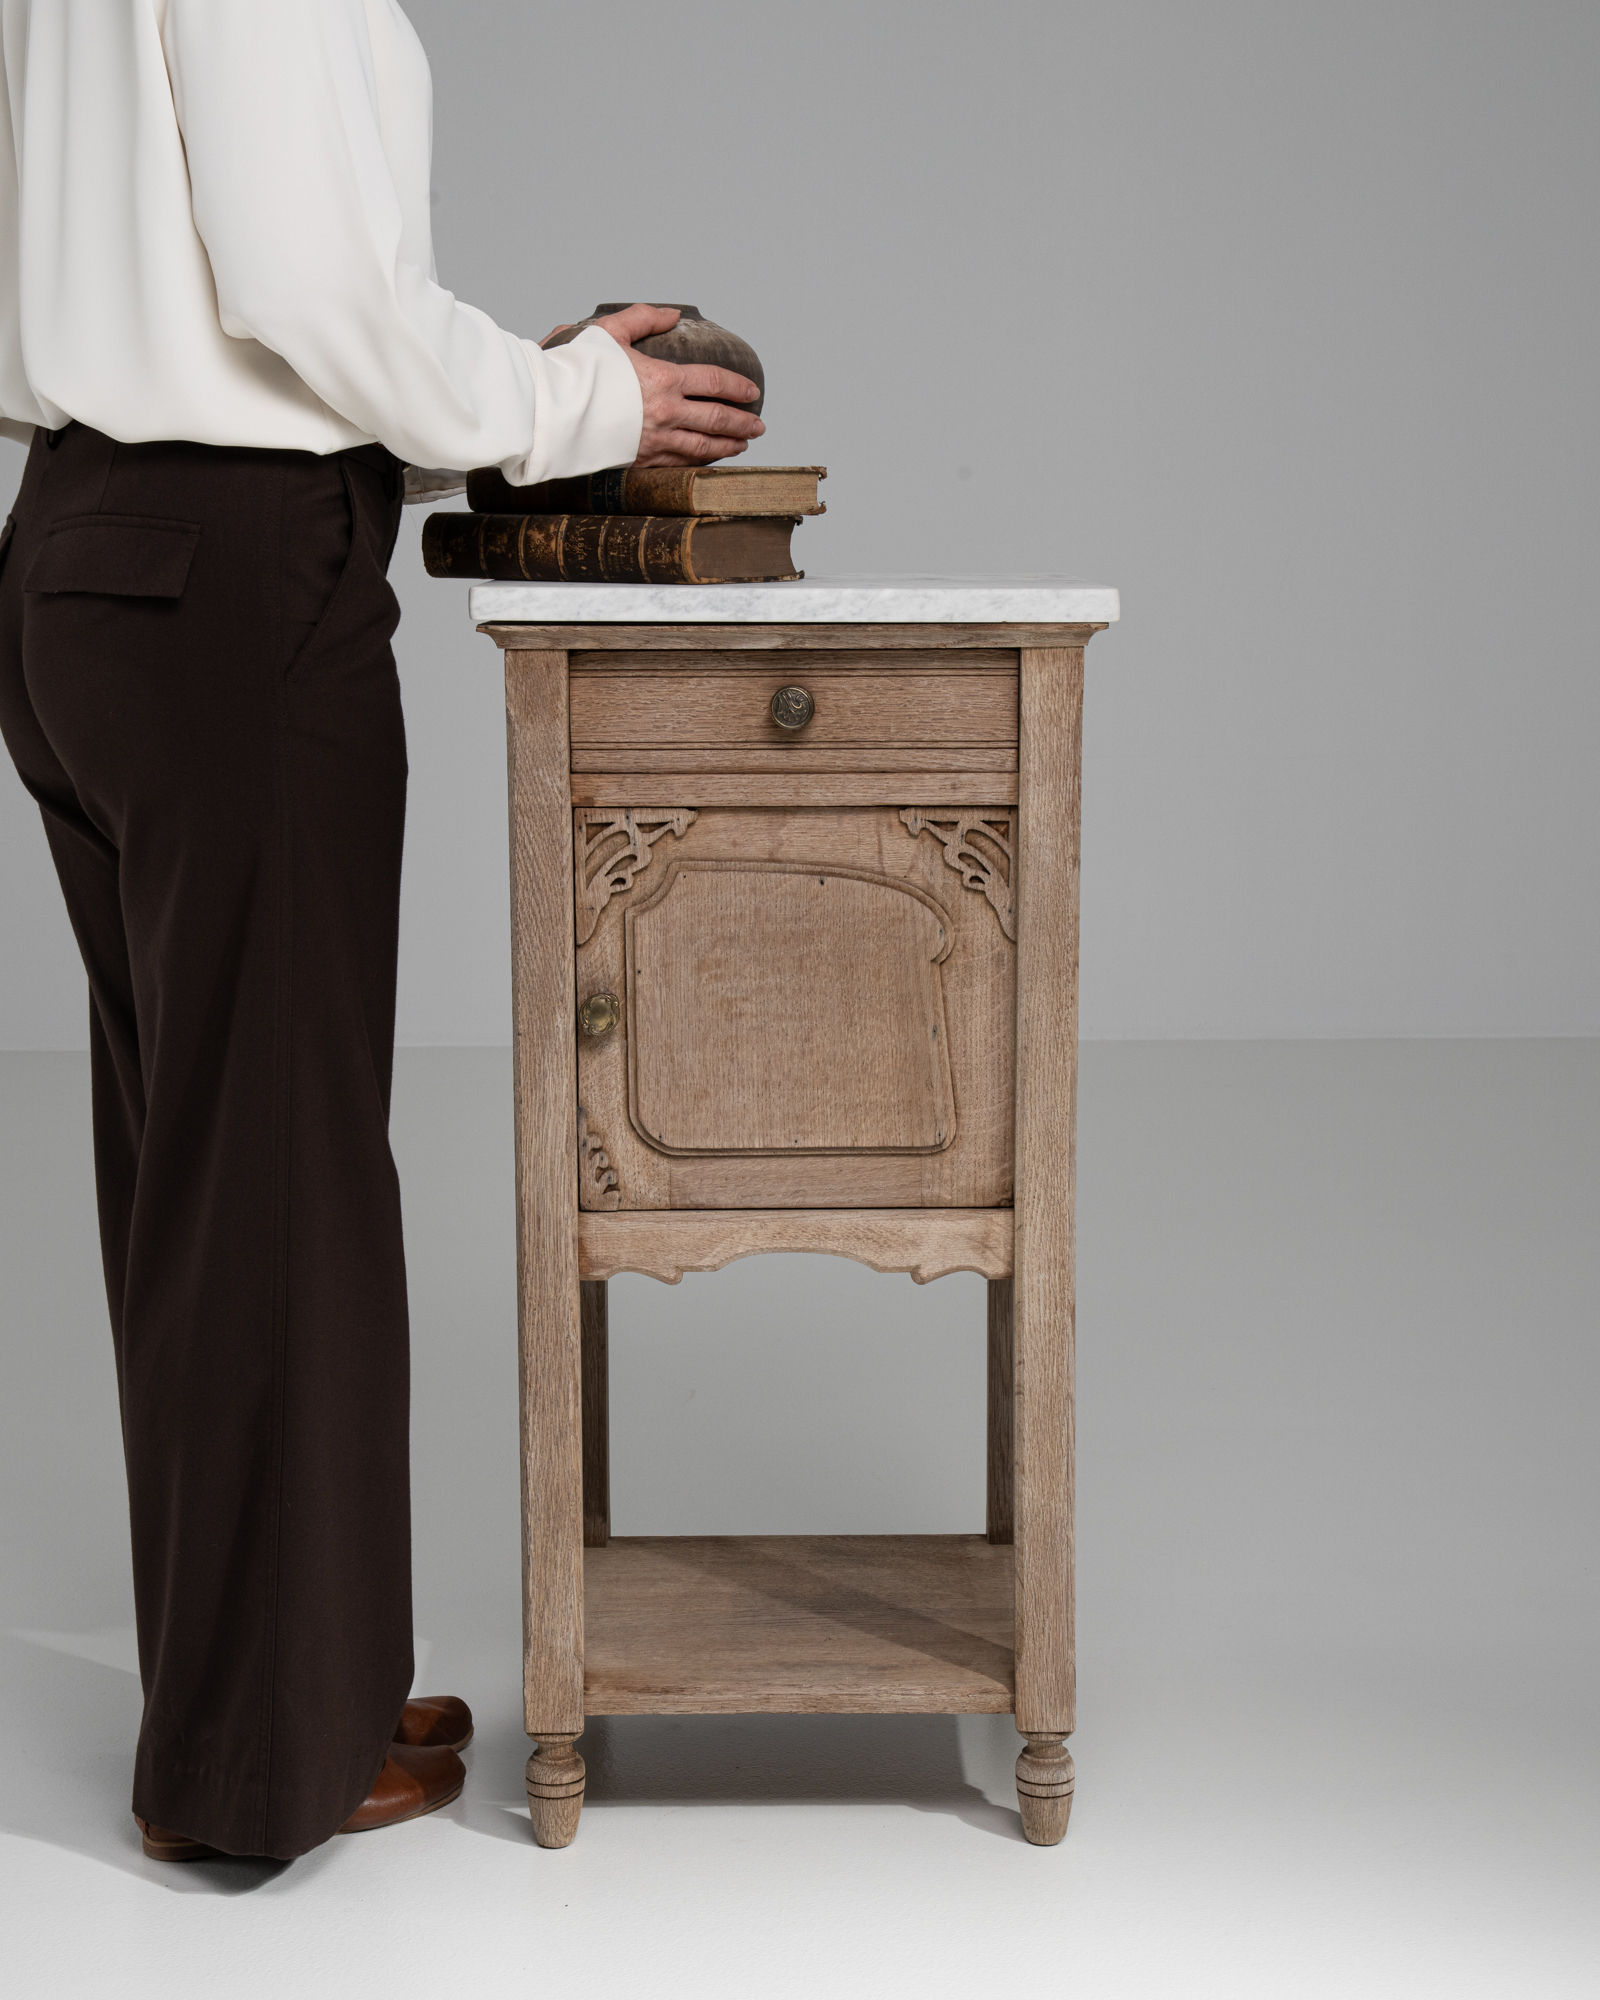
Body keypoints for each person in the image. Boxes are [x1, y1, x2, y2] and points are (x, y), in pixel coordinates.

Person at [0, 0, 762, 1862]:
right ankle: (256, 1763)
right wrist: (585, 404)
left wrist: (517, 382)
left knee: (204, 1170)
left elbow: (205, 305)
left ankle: (287, 1676)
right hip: (235, 575)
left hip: (90, 548)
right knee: (278, 1172)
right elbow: (306, 291)